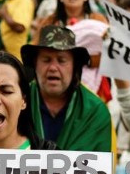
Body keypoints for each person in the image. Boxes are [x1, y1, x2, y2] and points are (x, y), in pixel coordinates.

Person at [20, 25, 112, 153]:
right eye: (46, 60)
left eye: (61, 60)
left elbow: (98, 168)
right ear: (35, 65)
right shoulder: (16, 104)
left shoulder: (94, 111)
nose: (53, 67)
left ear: (75, 67)